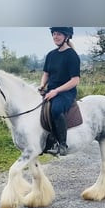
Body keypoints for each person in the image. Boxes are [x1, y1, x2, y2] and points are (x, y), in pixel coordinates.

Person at [39, 27, 81, 156]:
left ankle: (62, 144)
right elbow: (46, 73)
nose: (55, 37)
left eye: (59, 34)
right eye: (54, 34)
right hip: (51, 90)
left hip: (66, 92)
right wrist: (42, 86)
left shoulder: (72, 56)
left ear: (66, 36)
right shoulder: (51, 55)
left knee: (56, 109)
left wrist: (56, 91)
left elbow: (75, 81)